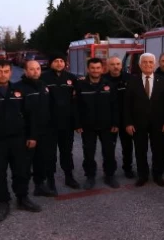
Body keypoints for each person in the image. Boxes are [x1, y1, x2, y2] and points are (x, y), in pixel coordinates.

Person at [0, 60, 41, 222]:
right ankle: (3, 202)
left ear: (10, 72)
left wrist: (32, 136)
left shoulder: (19, 90)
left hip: (19, 139)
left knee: (21, 171)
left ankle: (22, 198)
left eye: (5, 71)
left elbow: (30, 115)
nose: (2, 74)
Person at [124, 53, 164, 186]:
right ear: (140, 65)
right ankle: (143, 175)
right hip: (138, 123)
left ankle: (158, 175)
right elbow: (127, 104)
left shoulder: (163, 81)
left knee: (158, 150)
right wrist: (128, 123)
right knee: (140, 150)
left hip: (159, 123)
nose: (147, 64)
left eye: (150, 62)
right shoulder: (132, 81)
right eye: (144, 62)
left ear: (155, 64)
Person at [75, 58, 119, 189]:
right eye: (92, 68)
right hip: (88, 126)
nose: (95, 70)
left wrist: (115, 123)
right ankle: (90, 176)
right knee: (88, 153)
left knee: (109, 152)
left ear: (102, 69)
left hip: (107, 126)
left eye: (98, 68)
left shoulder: (109, 85)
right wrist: (77, 124)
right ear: (88, 69)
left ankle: (110, 175)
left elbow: (115, 106)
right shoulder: (80, 85)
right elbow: (76, 106)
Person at [40, 53, 81, 190]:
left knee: (67, 152)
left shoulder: (71, 78)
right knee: (49, 153)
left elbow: (76, 102)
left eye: (61, 61)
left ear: (65, 63)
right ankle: (50, 180)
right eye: (56, 61)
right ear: (51, 63)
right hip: (49, 124)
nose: (59, 63)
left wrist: (76, 123)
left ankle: (69, 177)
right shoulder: (43, 78)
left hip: (66, 123)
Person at [17, 60, 57, 197]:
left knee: (41, 160)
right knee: (25, 164)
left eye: (38, 69)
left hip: (44, 131)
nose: (35, 72)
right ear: (25, 71)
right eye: (32, 69)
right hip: (27, 133)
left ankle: (39, 186)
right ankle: (22, 194)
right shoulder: (18, 88)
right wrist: (29, 135)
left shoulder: (43, 86)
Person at [105, 56, 135, 179]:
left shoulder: (130, 79)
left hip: (126, 119)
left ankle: (128, 168)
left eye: (118, 64)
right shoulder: (103, 80)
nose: (115, 66)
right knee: (109, 148)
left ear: (121, 65)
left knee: (127, 147)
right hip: (110, 120)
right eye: (112, 64)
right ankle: (109, 171)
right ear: (108, 66)